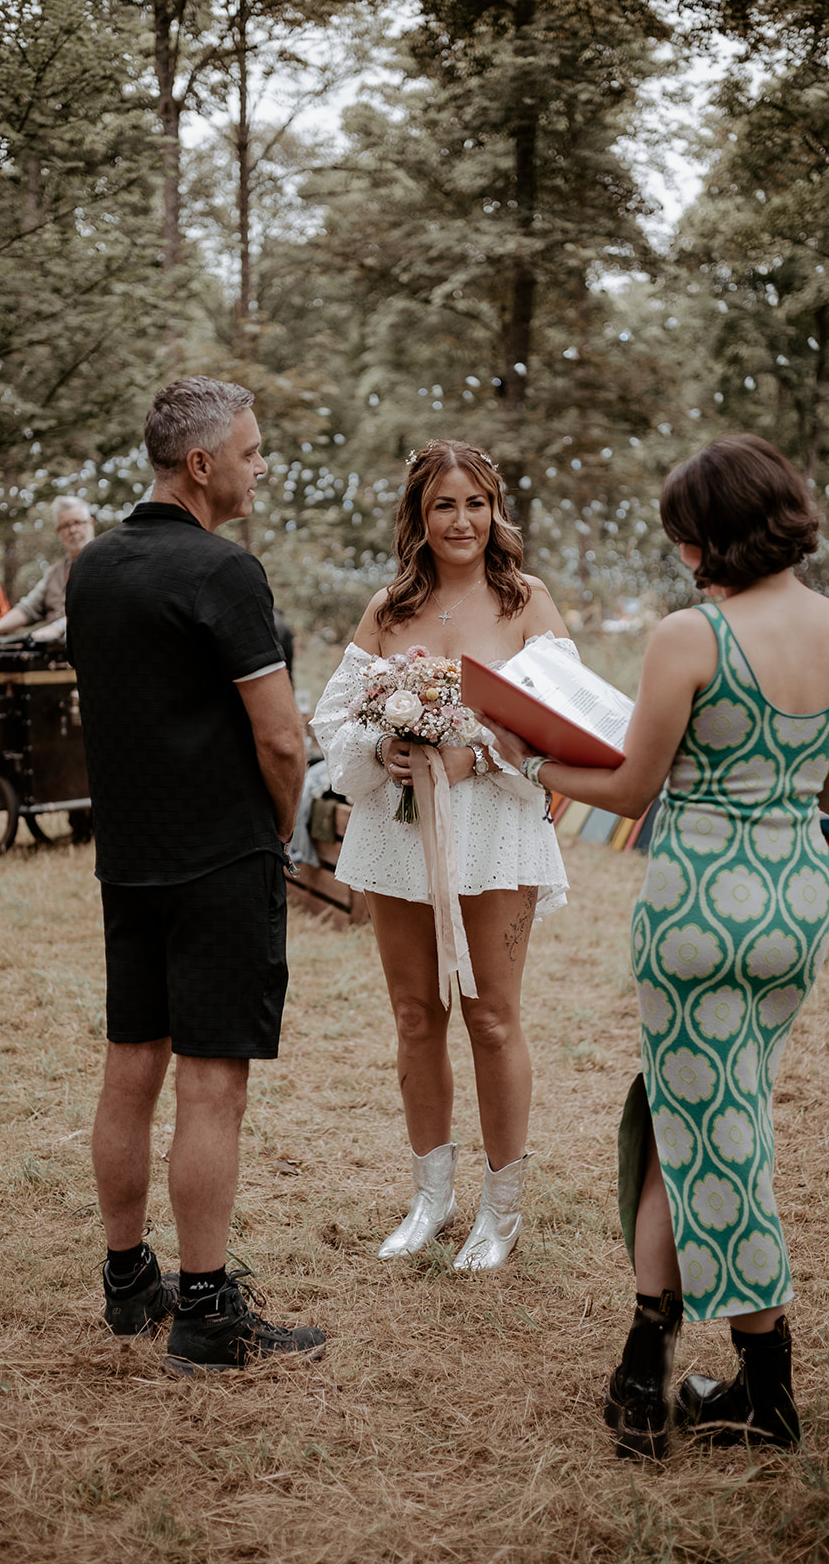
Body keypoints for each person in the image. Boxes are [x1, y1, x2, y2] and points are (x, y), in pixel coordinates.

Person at [483, 433, 829, 1459]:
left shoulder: (689, 636)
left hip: (697, 910)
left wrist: (531, 764)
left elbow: (628, 788)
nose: (679, 560)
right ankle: (639, 1366)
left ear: (713, 537)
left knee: (719, 1135)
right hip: (794, 902)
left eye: (682, 541)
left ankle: (760, 1385)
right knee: (695, 1111)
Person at [66, 376, 326, 1376]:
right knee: (211, 1086)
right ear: (202, 464)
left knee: (131, 1066)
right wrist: (273, 835)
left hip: (127, 861)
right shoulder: (225, 572)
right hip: (220, 859)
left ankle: (129, 1280)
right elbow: (280, 738)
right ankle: (208, 1313)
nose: (261, 468)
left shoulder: (91, 569)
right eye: (252, 453)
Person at [311, 439, 571, 1272]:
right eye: (442, 506)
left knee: (490, 1017)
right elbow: (334, 719)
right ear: (418, 519)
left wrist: (478, 753)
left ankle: (501, 1210)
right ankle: (431, 1198)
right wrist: (380, 750)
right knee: (416, 1013)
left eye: (474, 504)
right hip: (398, 828)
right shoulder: (389, 607)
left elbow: (558, 718)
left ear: (495, 511)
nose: (461, 521)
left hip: (493, 830)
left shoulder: (526, 600)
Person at [0, 497, 94, 642]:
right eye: (65, 526)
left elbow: (98, 608)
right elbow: (28, 608)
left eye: (77, 522)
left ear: (90, 523)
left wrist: (58, 627)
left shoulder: (109, 563)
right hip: (58, 658)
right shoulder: (54, 573)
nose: (72, 530)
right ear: (57, 531)